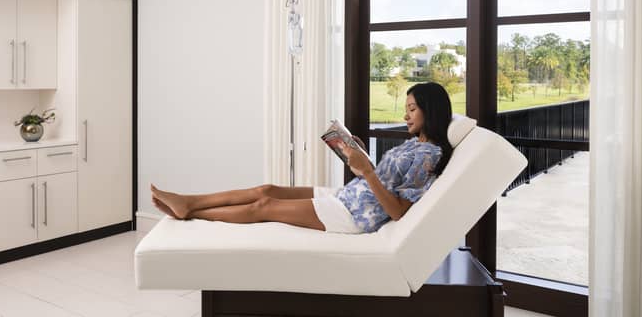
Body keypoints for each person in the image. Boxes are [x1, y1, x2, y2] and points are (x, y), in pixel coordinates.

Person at [151, 82, 454, 234]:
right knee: (266, 189)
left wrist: (368, 174)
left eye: (412, 109)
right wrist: (362, 159)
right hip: (350, 196)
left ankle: (190, 212)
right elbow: (388, 183)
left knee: (264, 206)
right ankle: (188, 200)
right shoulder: (415, 145)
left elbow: (399, 211)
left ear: (431, 110)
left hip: (354, 215)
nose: (405, 115)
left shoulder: (430, 155)